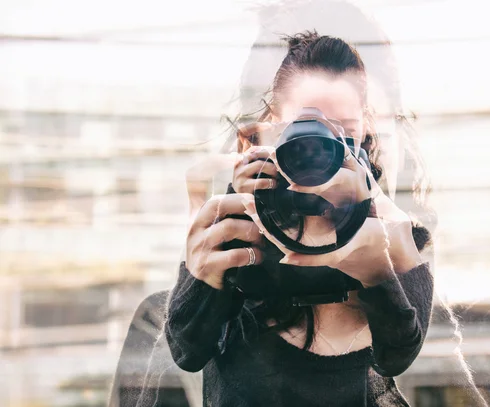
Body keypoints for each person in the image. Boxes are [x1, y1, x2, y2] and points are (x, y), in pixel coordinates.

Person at [164, 31, 435, 407]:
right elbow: (187, 351)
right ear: (268, 129)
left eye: (343, 131)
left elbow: (397, 356)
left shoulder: (390, 228)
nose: (320, 149)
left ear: (365, 131)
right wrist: (209, 272)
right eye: (304, 129)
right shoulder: (237, 220)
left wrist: (378, 268)